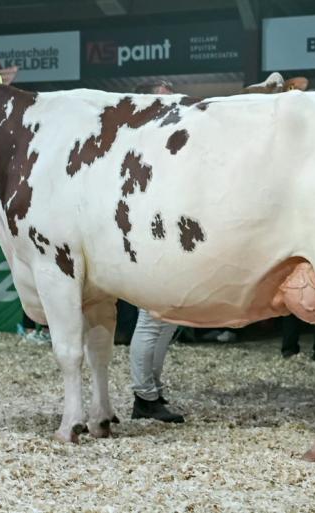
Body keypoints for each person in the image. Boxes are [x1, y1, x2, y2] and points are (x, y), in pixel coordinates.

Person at [128, 80, 184, 423]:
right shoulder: (140, 138)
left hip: (169, 230)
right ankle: (143, 396)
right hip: (148, 231)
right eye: (163, 97)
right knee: (151, 317)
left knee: (168, 317)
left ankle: (153, 392)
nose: (171, 102)